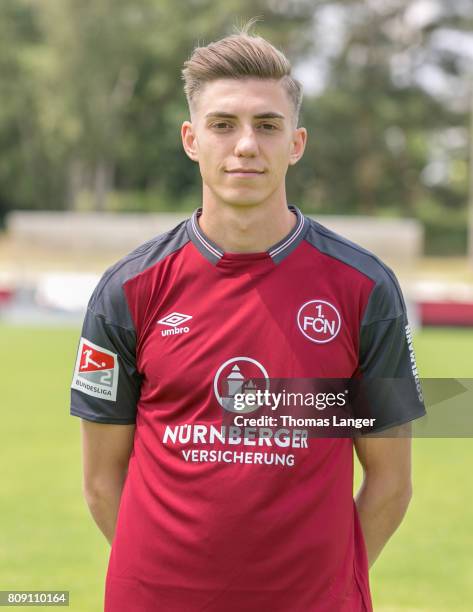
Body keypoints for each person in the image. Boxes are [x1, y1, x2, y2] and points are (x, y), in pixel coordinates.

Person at [70, 22, 426, 612]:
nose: (245, 145)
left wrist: (326, 581)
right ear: (191, 139)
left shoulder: (366, 288)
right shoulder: (127, 290)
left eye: (267, 125)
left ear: (297, 143)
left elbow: (391, 482)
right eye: (223, 125)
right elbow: (102, 482)